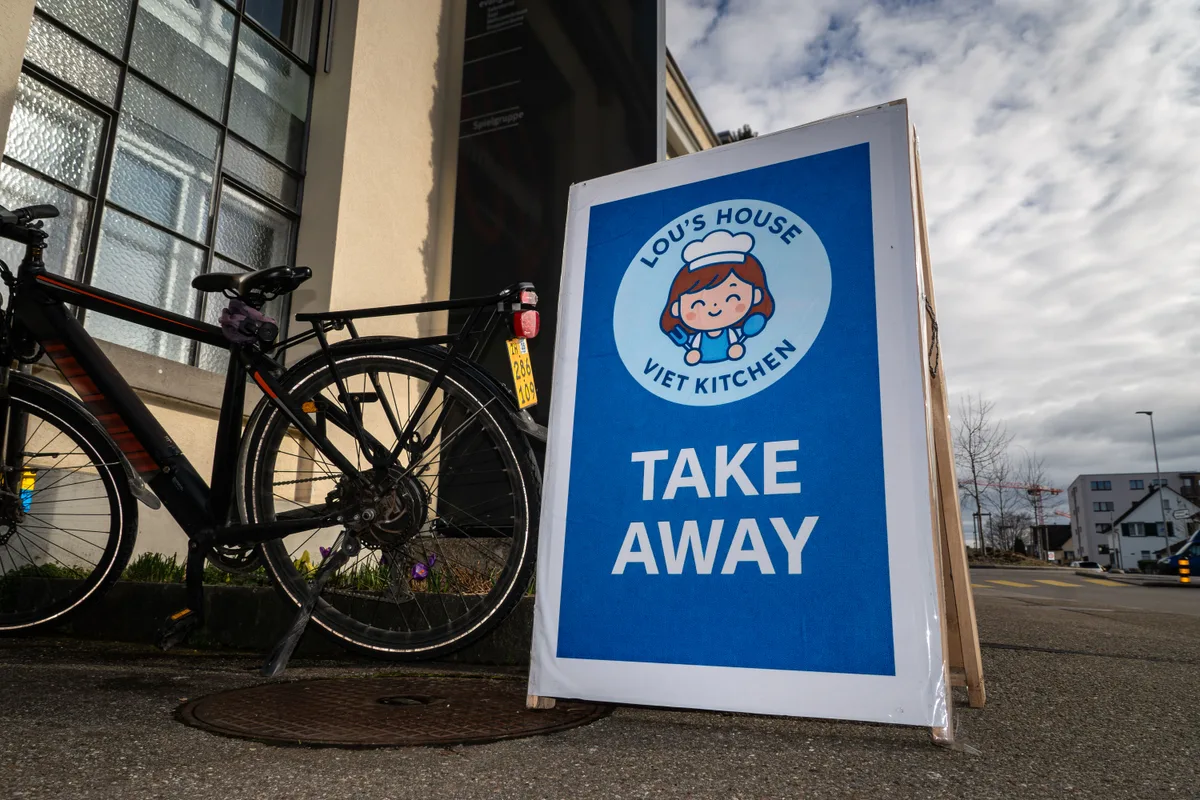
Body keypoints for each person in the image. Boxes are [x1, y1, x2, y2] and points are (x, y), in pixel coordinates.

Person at [659, 230, 775, 365]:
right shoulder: (697, 339)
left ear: (756, 295)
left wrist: (735, 348)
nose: (714, 306)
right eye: (697, 303)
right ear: (676, 308)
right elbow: (694, 348)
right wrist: (693, 352)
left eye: (732, 297)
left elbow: (734, 344)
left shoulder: (732, 334)